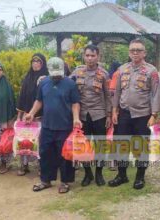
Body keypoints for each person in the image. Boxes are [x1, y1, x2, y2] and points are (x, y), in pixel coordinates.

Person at [109, 38, 160, 190]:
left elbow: (156, 93)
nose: (135, 53)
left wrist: (154, 114)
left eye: (139, 50)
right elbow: (117, 91)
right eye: (132, 50)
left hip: (142, 115)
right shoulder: (122, 69)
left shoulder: (151, 71)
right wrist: (114, 110)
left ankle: (140, 177)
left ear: (144, 53)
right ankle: (122, 175)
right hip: (123, 114)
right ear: (129, 52)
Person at [25, 57, 81, 194]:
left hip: (65, 126)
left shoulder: (70, 84)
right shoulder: (44, 83)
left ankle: (65, 182)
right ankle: (45, 180)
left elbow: (75, 103)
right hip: (47, 125)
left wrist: (76, 118)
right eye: (54, 73)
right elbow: (39, 100)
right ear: (49, 70)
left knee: (65, 155)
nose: (56, 76)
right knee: (45, 153)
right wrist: (31, 113)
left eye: (59, 73)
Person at [70, 44, 112, 187]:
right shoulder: (76, 72)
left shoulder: (104, 74)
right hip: (82, 116)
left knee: (100, 145)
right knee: (83, 146)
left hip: (99, 114)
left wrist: (109, 115)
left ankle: (99, 173)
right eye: (87, 55)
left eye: (93, 55)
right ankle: (88, 174)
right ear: (84, 56)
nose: (90, 58)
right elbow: (66, 85)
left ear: (98, 56)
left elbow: (108, 96)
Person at [16, 53, 49, 176]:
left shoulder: (46, 79)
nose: (36, 64)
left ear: (43, 64)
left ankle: (42, 166)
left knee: (40, 142)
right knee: (25, 140)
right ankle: (24, 165)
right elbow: (21, 97)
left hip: (41, 116)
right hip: (27, 116)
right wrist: (19, 116)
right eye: (34, 61)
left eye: (39, 61)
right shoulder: (27, 78)